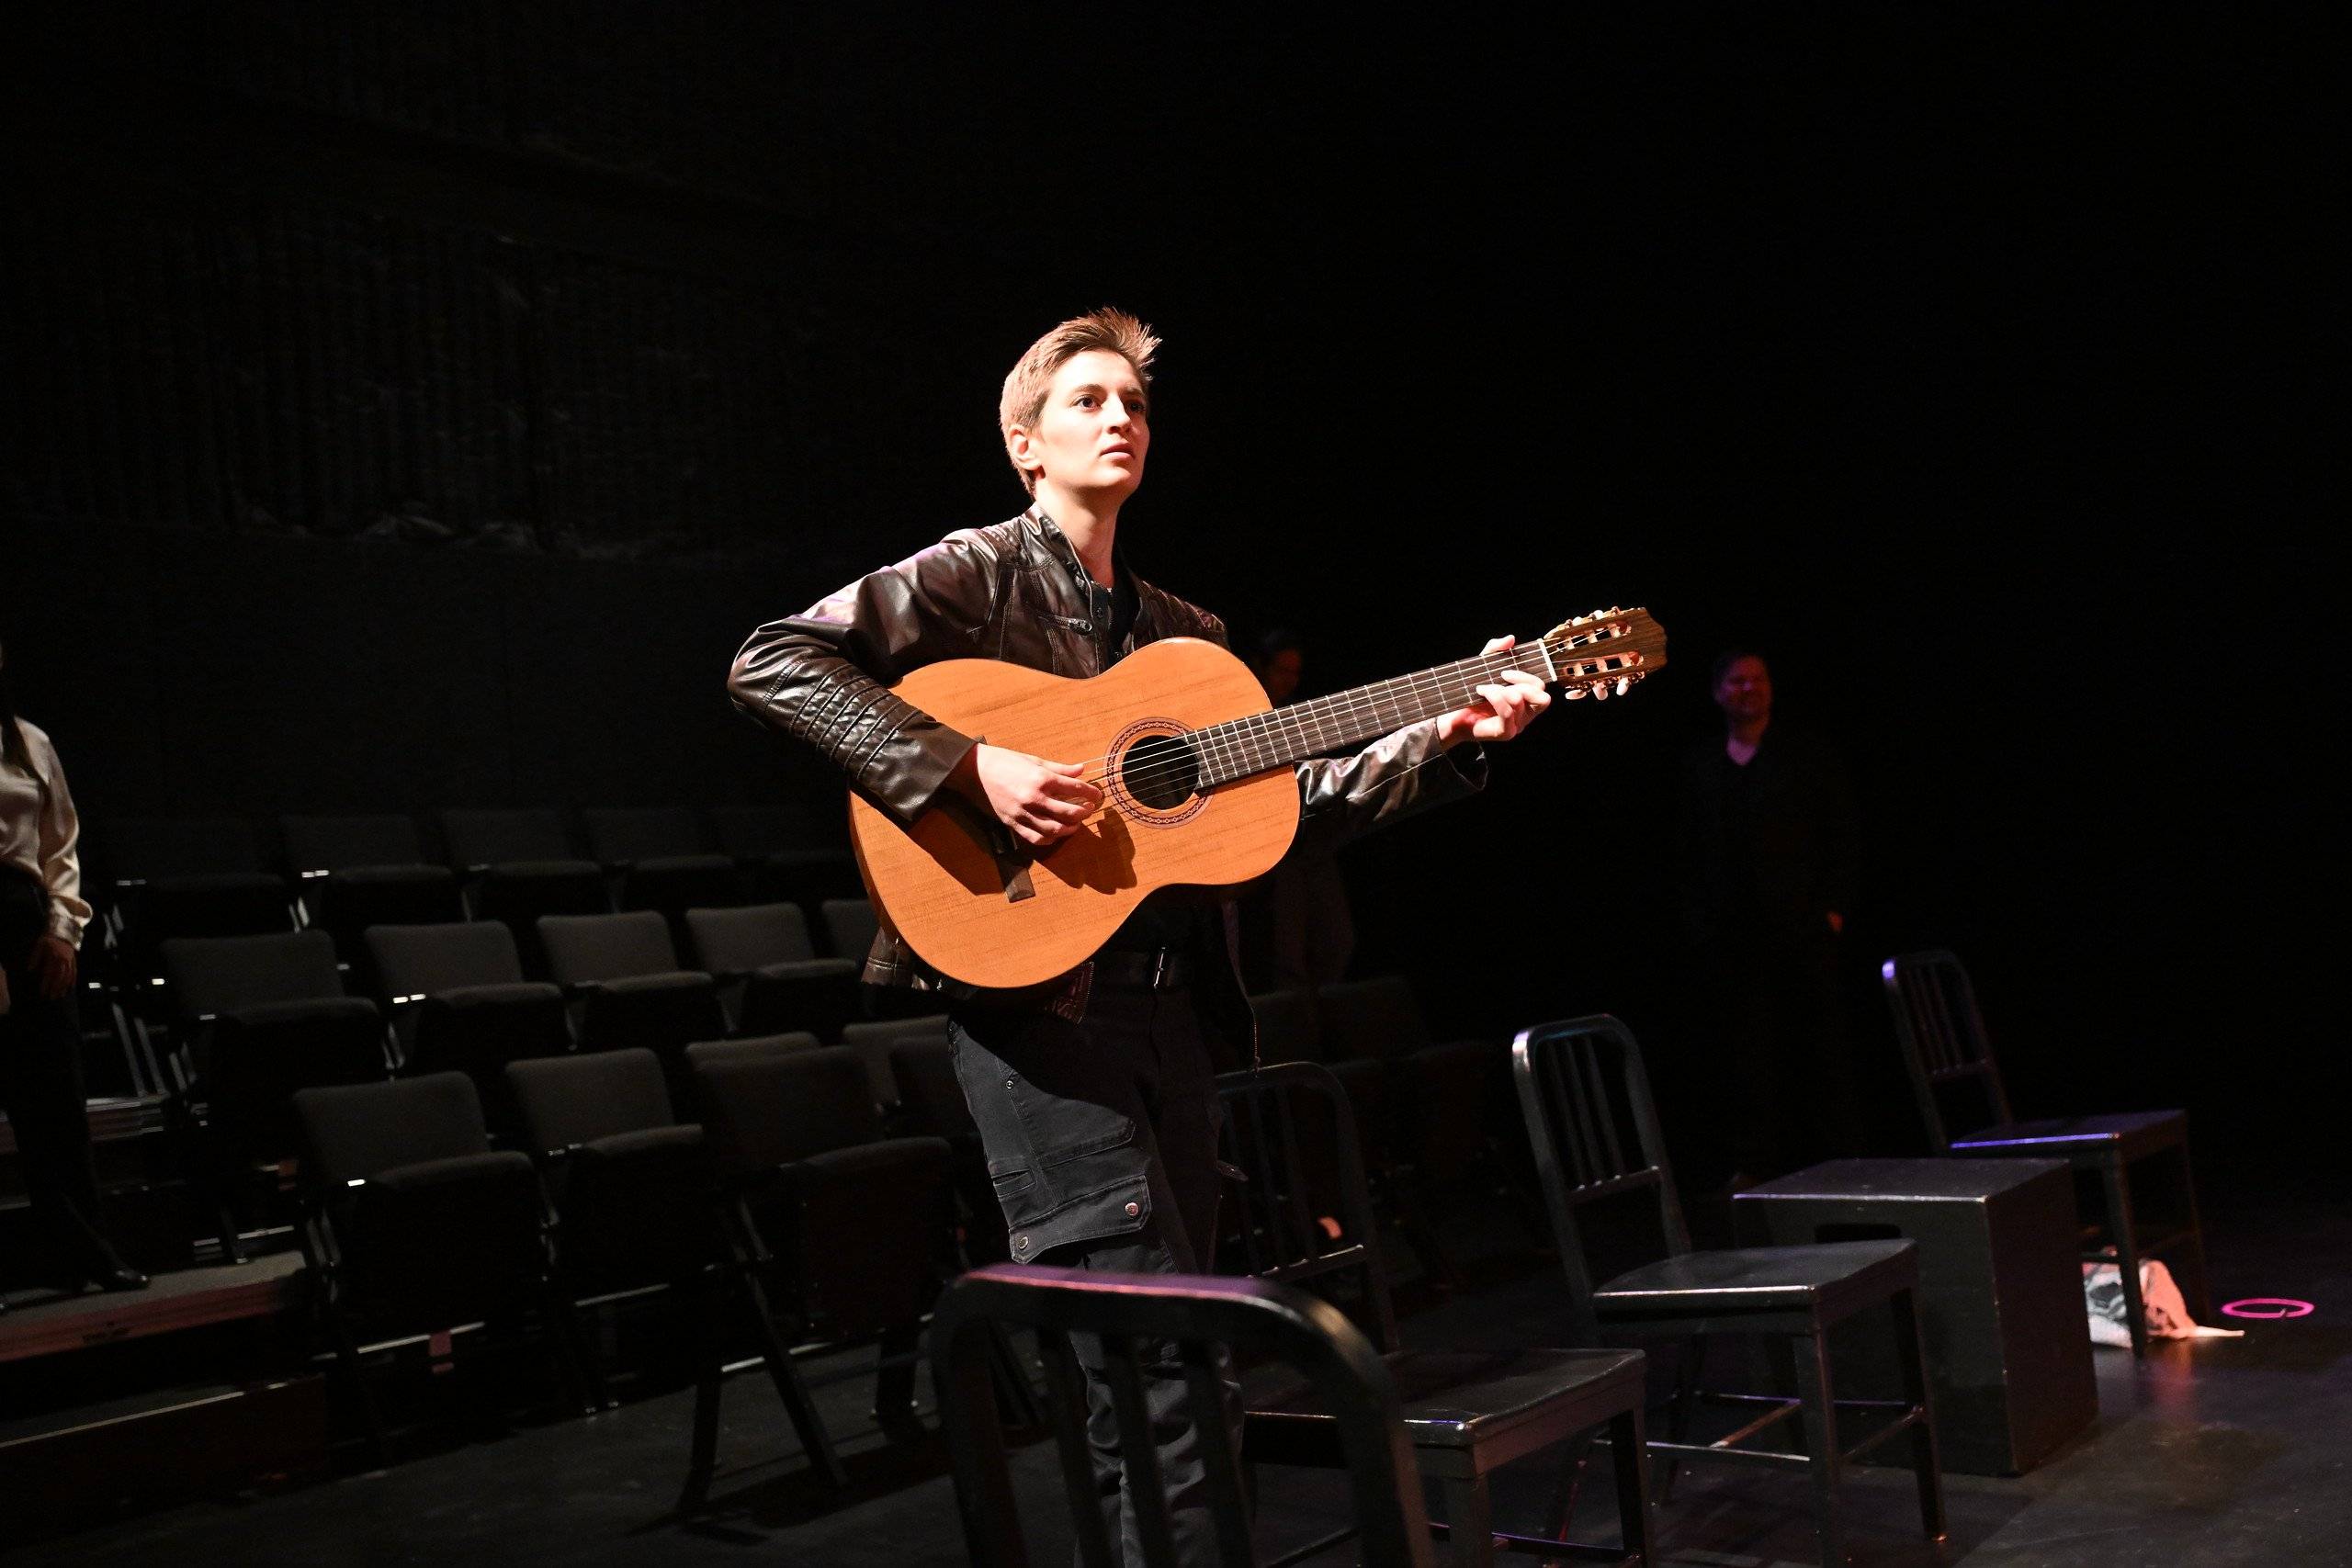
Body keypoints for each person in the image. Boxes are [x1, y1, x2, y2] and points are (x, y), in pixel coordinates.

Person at [727, 308, 1551, 1564]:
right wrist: (969, 764)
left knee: (1188, 1360)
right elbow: (771, 660)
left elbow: (1276, 822)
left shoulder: (1190, 641)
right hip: (1043, 1017)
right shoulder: (971, 574)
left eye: (1137, 404)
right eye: (1089, 400)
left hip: (1177, 1022)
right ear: (1026, 441)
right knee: (1150, 1372)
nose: (1122, 419)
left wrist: (1439, 743)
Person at [1676, 649, 1862, 1189]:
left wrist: (1833, 911)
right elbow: (1685, 851)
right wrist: (1699, 924)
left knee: (1821, 1048)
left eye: (1756, 680)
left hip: (1802, 930)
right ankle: (1757, 1166)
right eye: (1735, 682)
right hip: (1731, 940)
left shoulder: (1805, 755)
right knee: (1745, 1056)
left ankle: (1840, 1161)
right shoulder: (1701, 764)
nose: (1747, 690)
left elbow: (1842, 834)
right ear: (1717, 693)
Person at [1, 639, 148, 1308]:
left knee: (56, 1097)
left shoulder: (29, 741)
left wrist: (63, 929)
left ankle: (87, 1252)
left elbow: (61, 844)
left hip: (24, 919)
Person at [1238, 626, 1357, 990]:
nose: (1290, 680)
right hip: (1273, 847)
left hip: (1309, 836)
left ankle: (1324, 1031)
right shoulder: (1239, 706)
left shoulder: (1294, 714)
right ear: (1262, 666)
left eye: (1295, 673)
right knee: (1287, 951)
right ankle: (1294, 1035)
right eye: (1282, 670)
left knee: (1337, 940)